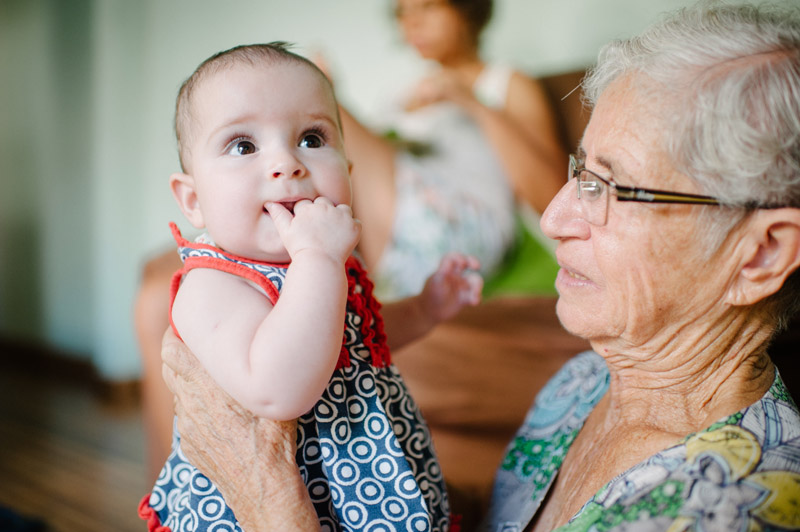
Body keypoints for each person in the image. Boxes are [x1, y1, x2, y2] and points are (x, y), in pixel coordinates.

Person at [154, 2, 800, 531]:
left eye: (612, 187)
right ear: (191, 196)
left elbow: (357, 337)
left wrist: (267, 494)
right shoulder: (582, 382)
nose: (553, 216)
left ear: (762, 253)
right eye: (581, 172)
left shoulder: (722, 506)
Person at [138, 43, 485, 532]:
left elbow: (357, 340)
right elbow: (277, 391)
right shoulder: (211, 284)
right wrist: (317, 261)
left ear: (348, 175)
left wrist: (425, 309)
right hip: (267, 509)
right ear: (193, 200)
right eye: (243, 146)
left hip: (367, 491)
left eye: (312, 138)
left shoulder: (328, 263)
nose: (286, 163)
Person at [327, 0, 566, 300]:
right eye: (403, 13)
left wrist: (471, 102)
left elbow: (551, 194)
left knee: (330, 110)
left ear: (466, 10)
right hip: (389, 221)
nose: (412, 23)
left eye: (427, 7)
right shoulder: (397, 96)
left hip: (467, 225)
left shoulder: (504, 82)